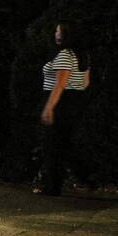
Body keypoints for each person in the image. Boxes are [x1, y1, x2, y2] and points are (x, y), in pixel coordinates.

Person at [35, 21, 91, 195]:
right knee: (66, 143)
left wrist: (49, 107)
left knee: (53, 145)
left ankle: (52, 186)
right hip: (76, 100)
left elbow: (60, 84)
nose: (55, 34)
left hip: (61, 101)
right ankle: (83, 176)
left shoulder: (65, 55)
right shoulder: (83, 56)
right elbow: (85, 82)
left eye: (59, 31)